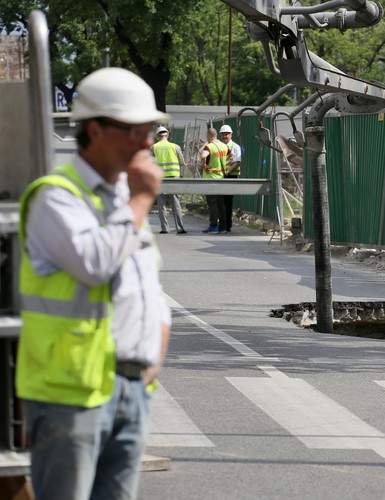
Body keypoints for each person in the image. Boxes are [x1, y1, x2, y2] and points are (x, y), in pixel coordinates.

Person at [16, 67, 171, 500]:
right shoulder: (56, 196)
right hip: (71, 394)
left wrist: (157, 345)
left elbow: (148, 287)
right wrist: (141, 199)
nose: (146, 142)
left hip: (132, 387)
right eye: (136, 130)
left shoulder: (122, 200)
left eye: (149, 130)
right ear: (97, 130)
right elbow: (95, 264)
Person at [152, 125, 187, 234]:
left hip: (159, 178)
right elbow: (182, 162)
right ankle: (180, 228)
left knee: (161, 203)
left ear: (158, 136)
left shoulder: (153, 148)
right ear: (167, 135)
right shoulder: (175, 147)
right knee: (175, 202)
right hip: (174, 177)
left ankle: (164, 228)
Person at [200, 127, 229, 233]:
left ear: (208, 136)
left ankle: (213, 226)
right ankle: (223, 227)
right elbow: (232, 155)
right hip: (221, 178)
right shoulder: (224, 146)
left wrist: (204, 165)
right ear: (216, 135)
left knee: (212, 203)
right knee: (221, 203)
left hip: (210, 179)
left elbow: (203, 155)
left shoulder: (209, 147)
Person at [219, 124, 241, 234]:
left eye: (226, 134)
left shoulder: (235, 147)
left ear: (231, 134)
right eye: (223, 134)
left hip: (230, 176)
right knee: (221, 201)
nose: (225, 136)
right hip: (221, 176)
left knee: (227, 201)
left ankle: (227, 225)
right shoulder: (220, 146)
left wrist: (227, 171)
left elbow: (237, 162)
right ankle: (222, 223)